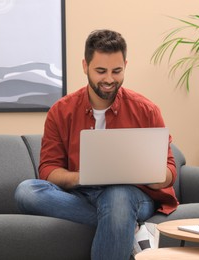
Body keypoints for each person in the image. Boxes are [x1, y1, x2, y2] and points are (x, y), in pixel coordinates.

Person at [14, 29, 179, 260]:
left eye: (117, 71)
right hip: (81, 193)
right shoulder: (61, 111)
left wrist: (152, 175)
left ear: (125, 65)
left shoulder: (146, 110)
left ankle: (121, 218)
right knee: (27, 191)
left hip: (133, 195)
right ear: (85, 66)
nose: (109, 79)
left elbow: (171, 169)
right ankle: (126, 227)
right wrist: (83, 177)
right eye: (101, 71)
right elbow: (48, 171)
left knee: (117, 195)